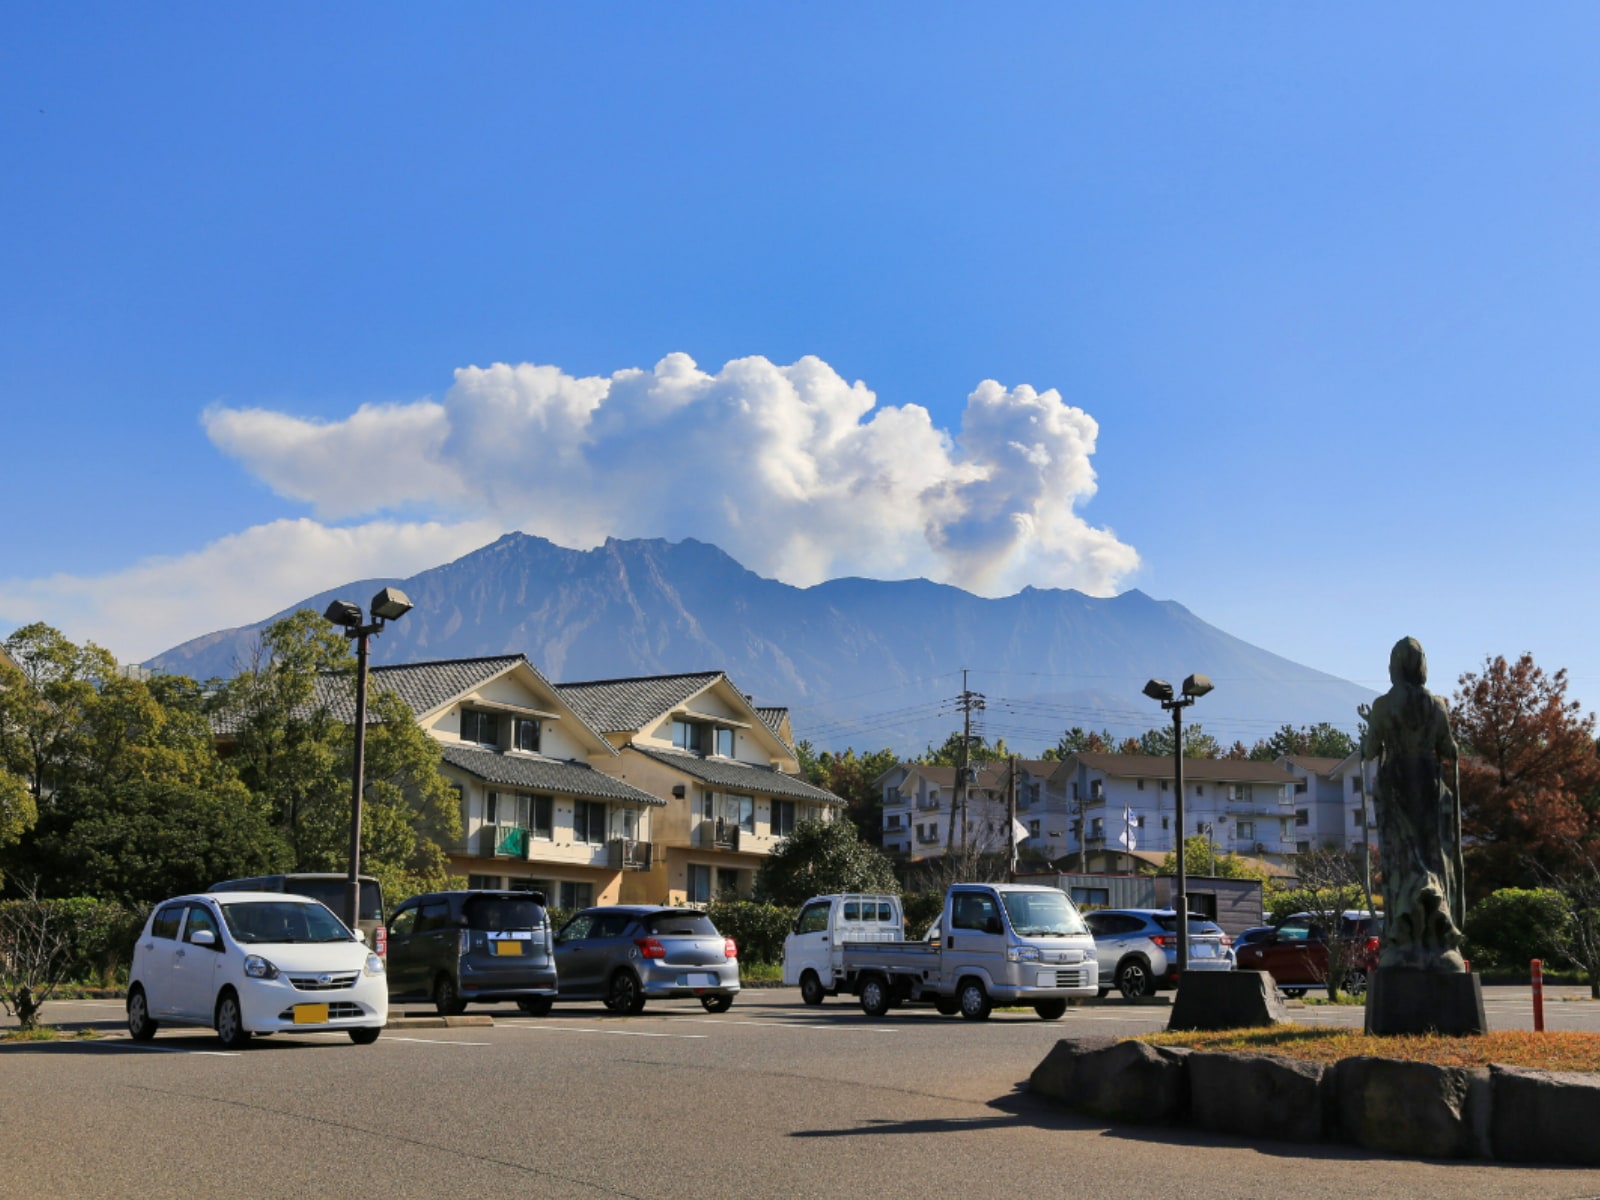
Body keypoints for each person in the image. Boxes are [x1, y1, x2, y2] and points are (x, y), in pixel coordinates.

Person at [1359, 637, 1465, 972]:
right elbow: (1449, 749)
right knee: (1435, 857)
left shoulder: (1383, 706)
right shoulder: (1435, 705)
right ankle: (1438, 935)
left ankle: (1401, 938)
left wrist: (1369, 734)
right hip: (1429, 787)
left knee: (1399, 860)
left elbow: (1370, 750)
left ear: (1394, 667)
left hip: (1396, 787)